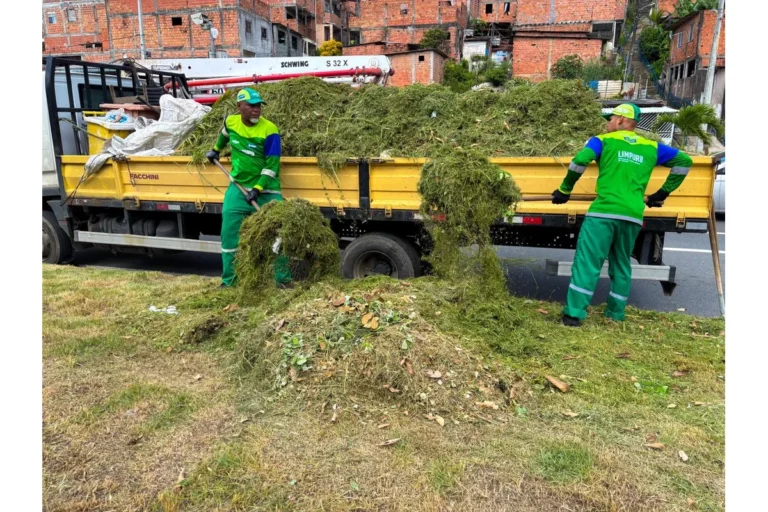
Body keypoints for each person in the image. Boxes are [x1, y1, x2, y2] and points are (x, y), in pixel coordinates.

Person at [552, 103, 693, 326]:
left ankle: (573, 315)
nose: (607, 123)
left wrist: (564, 189)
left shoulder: (602, 141)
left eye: (610, 119)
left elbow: (579, 161)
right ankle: (615, 314)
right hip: (632, 215)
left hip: (603, 213)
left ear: (619, 120)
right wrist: (662, 193)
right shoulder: (652, 147)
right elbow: (685, 162)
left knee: (588, 263)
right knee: (621, 264)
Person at [206, 87, 291, 288]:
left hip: (267, 191)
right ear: (239, 106)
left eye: (259, 105)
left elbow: (272, 166)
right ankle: (229, 282)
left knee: (278, 235)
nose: (256, 109)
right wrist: (216, 149)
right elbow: (224, 134)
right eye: (251, 105)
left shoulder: (270, 130)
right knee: (229, 235)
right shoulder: (231, 122)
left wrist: (257, 189)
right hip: (238, 187)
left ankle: (282, 280)